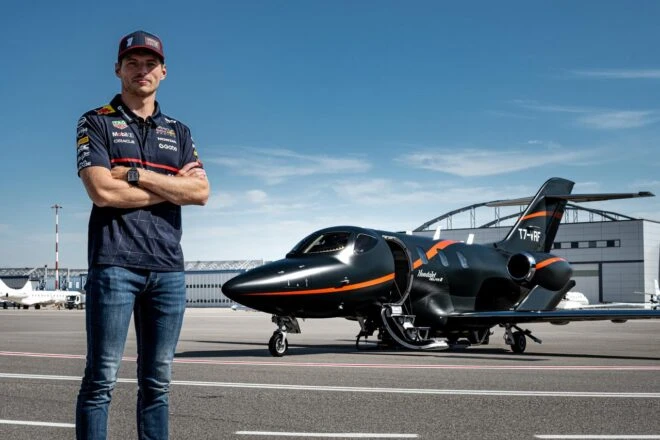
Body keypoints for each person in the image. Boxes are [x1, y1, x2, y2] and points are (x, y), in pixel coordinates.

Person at [75, 30, 209, 440]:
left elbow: (200, 192)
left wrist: (136, 175)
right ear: (118, 69)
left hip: (168, 270)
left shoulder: (179, 131)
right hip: (114, 265)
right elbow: (102, 192)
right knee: (101, 379)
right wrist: (172, 187)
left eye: (150, 64)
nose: (142, 70)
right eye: (132, 63)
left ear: (163, 72)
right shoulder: (96, 121)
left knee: (158, 383)